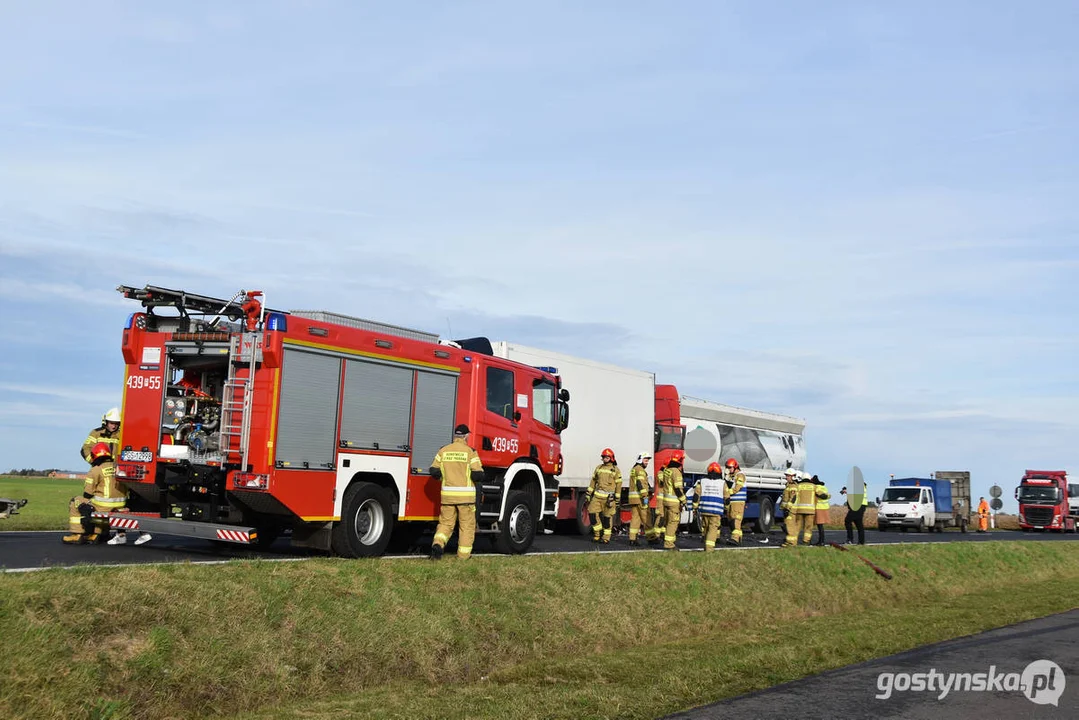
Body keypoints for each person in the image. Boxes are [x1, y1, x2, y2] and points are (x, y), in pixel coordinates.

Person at [429, 424, 485, 560]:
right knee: (466, 526)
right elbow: (478, 474)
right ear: (466, 436)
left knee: (445, 524)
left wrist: (445, 477)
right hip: (466, 499)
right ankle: (463, 556)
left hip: (448, 497)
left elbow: (434, 471)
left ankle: (438, 544)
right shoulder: (470, 452)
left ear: (455, 436)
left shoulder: (443, 450)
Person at [585, 448, 622, 544]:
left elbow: (618, 485)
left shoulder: (615, 470)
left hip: (609, 498)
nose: (605, 459)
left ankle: (606, 537)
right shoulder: (599, 468)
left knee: (607, 518)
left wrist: (617, 499)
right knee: (592, 513)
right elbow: (593, 481)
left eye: (607, 457)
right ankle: (597, 534)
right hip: (597, 497)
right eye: (604, 457)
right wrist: (589, 493)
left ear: (611, 458)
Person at [627, 451, 657, 545]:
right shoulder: (640, 470)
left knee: (635, 518)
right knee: (646, 518)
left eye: (647, 460)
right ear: (640, 459)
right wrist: (645, 496)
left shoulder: (634, 468)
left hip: (633, 499)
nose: (647, 462)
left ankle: (632, 539)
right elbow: (640, 483)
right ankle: (651, 538)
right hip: (640, 498)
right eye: (645, 460)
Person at [694, 462, 726, 551]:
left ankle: (705, 546)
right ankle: (709, 549)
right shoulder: (722, 483)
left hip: (704, 509)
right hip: (716, 511)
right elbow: (726, 497)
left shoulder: (702, 481)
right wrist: (726, 508)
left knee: (706, 528)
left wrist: (695, 507)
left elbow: (696, 496)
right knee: (713, 529)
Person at [659, 450, 687, 550]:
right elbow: (678, 489)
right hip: (674, 502)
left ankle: (670, 541)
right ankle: (669, 544)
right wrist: (684, 501)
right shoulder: (676, 472)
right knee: (673, 522)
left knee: (668, 522)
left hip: (665, 500)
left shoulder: (667, 470)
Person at [723, 458, 747, 545]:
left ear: (735, 467)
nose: (728, 469)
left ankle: (735, 539)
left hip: (738, 502)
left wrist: (726, 493)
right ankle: (739, 538)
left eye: (730, 468)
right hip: (733, 502)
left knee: (735, 520)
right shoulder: (733, 476)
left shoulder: (740, 475)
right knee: (731, 520)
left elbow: (736, 489)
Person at [841, 476, 868, 545]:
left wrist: (846, 491)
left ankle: (850, 539)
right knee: (859, 524)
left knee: (848, 520)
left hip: (858, 506)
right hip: (861, 506)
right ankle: (861, 542)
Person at [793, 471, 817, 546]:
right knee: (808, 527)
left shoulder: (798, 486)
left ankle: (794, 540)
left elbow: (794, 496)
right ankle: (806, 541)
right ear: (810, 479)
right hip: (810, 511)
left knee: (797, 526)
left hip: (799, 509)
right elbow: (821, 494)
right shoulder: (813, 486)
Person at [780, 468, 799, 547]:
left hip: (790, 510)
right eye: (786, 475)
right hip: (787, 509)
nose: (786, 477)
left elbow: (793, 498)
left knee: (790, 527)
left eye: (788, 476)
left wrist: (787, 509)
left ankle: (791, 543)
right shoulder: (788, 485)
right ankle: (789, 542)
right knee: (788, 526)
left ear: (793, 477)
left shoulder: (793, 486)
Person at [813, 475, 831, 546]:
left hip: (819, 508)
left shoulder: (816, 488)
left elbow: (821, 496)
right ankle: (821, 541)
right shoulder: (824, 487)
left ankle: (821, 542)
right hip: (825, 508)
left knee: (820, 526)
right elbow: (828, 496)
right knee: (820, 526)